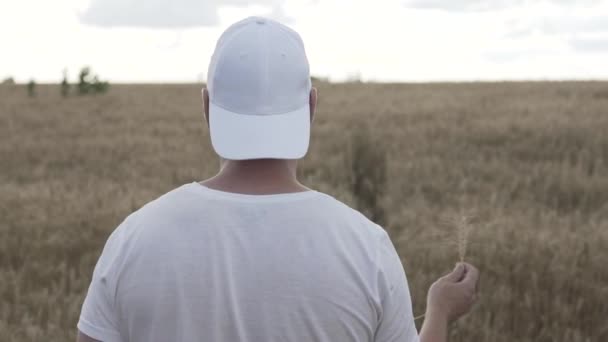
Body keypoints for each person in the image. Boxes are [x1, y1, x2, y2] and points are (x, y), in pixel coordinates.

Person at [77, 16, 479, 342]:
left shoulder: (133, 239)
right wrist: (439, 312)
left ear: (206, 106)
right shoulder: (367, 248)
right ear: (311, 106)